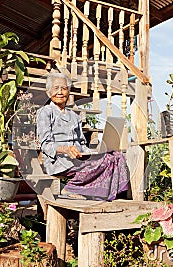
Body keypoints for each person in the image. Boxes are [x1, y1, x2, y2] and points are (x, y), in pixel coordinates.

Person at [36, 73, 129, 201]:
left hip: (79, 157)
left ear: (68, 91)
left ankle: (112, 196)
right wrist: (65, 149)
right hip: (59, 160)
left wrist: (93, 152)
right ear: (48, 93)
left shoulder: (74, 116)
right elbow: (45, 144)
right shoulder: (45, 112)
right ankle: (71, 188)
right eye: (56, 88)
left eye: (64, 88)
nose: (60, 92)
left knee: (116, 156)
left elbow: (82, 143)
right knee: (103, 162)